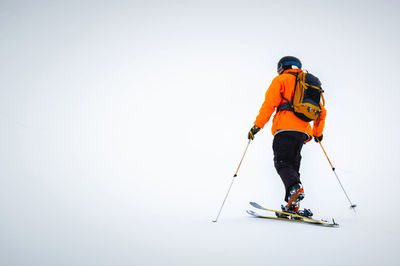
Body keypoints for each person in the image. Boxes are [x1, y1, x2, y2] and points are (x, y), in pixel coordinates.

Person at [248, 56, 326, 217]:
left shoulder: (282, 80)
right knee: (292, 166)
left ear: (282, 66)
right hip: (304, 132)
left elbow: (269, 105)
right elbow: (321, 112)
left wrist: (257, 126)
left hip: (284, 128)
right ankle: (293, 206)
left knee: (282, 162)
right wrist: (318, 133)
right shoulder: (310, 82)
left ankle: (294, 189)